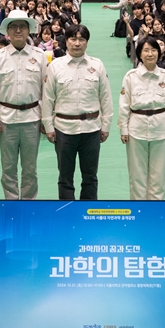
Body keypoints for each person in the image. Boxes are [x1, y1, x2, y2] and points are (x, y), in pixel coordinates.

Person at [42, 24, 113, 201]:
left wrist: (106, 126)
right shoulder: (55, 66)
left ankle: (87, 215)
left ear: (87, 43)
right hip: (64, 129)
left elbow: (106, 97)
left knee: (90, 177)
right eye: (73, 39)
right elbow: (48, 98)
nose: (77, 43)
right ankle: (68, 216)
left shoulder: (97, 65)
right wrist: (48, 127)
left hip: (91, 129)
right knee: (65, 177)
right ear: (66, 41)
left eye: (81, 39)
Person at [0, 10, 48, 200]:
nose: (18, 30)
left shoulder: (40, 56)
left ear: (29, 30)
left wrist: (46, 119)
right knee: (8, 169)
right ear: (7, 32)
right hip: (6, 120)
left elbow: (46, 91)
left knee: (30, 169)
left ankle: (29, 206)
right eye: (14, 27)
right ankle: (12, 206)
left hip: (32, 119)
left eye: (22, 26)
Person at [119, 37, 165, 201]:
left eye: (153, 50)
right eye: (146, 50)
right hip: (136, 128)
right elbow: (124, 104)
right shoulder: (131, 76)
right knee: (137, 174)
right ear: (139, 54)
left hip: (160, 127)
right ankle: (138, 211)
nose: (150, 54)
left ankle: (156, 211)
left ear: (159, 52)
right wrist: (124, 129)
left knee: (158, 174)